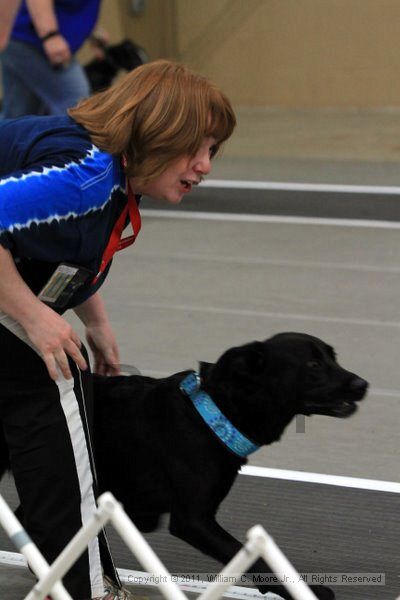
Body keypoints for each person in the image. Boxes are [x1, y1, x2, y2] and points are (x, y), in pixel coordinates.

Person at [0, 59, 236, 599]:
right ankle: (83, 585)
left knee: (59, 365)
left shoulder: (108, 180)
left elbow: (50, 251)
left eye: (213, 152)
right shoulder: (84, 174)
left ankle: (65, 563)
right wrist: (37, 318)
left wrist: (96, 321)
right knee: (56, 376)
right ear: (156, 132)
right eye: (194, 148)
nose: (203, 166)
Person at [0, 0, 101, 118]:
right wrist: (50, 36)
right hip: (32, 38)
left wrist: (93, 30)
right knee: (74, 104)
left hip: (22, 37)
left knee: (20, 113)